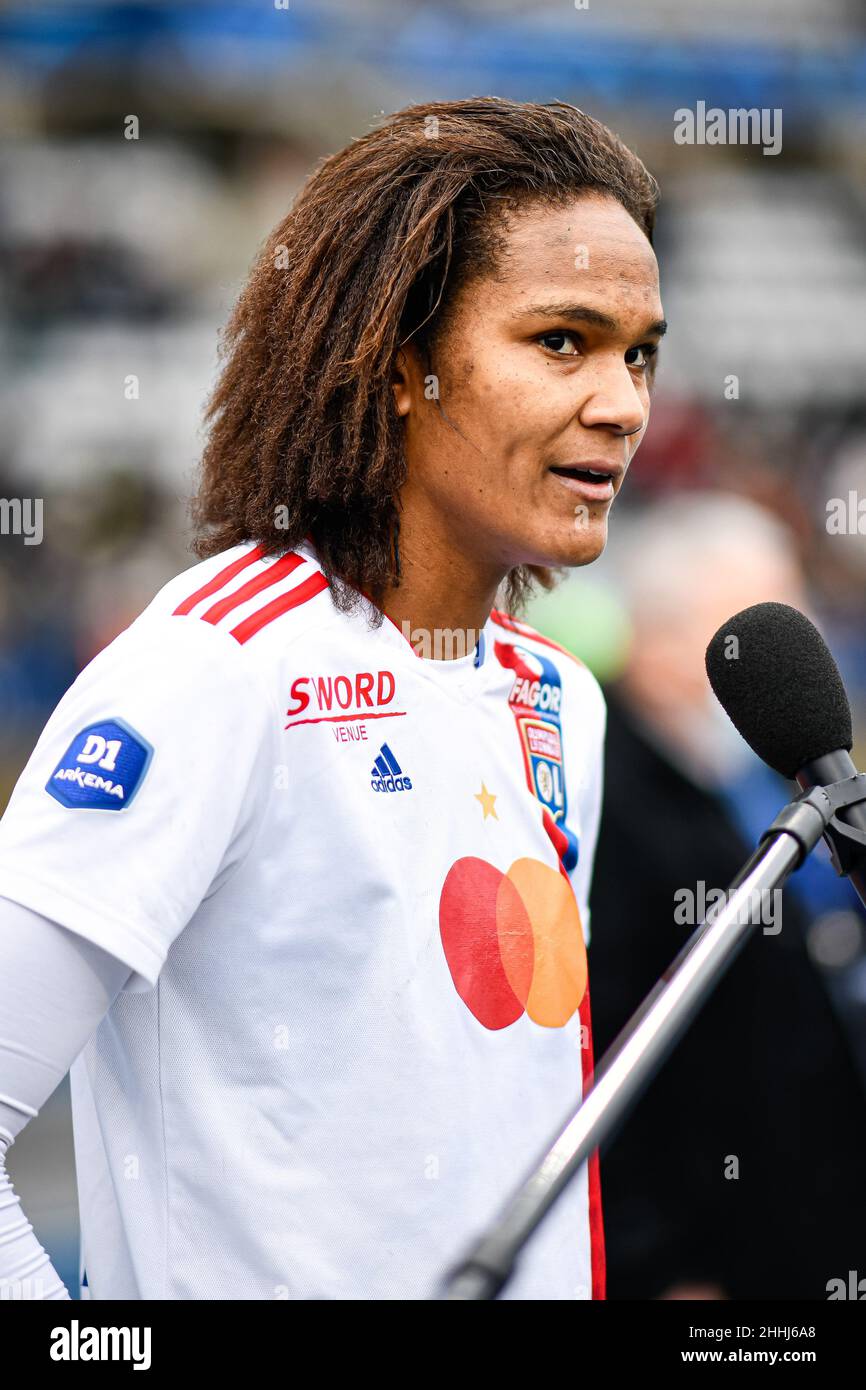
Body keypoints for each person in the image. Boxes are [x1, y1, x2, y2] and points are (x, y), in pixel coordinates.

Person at [0, 97, 664, 1300]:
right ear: (401, 365)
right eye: (561, 341)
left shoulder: (561, 699)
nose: (621, 402)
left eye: (639, 352)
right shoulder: (215, 671)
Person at [589, 494, 866, 1299]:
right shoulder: (612, 792)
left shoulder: (712, 777)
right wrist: (663, 1263)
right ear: (669, 637)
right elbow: (608, 1048)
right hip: (712, 1270)